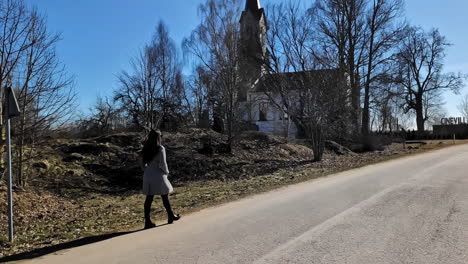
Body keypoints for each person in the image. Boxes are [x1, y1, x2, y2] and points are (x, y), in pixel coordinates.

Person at [141, 129, 180, 229]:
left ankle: (147, 221)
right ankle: (170, 216)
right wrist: (166, 172)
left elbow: (142, 164)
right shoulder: (160, 148)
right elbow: (163, 164)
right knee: (164, 196)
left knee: (149, 199)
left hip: (147, 175)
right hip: (158, 175)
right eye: (160, 136)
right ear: (158, 138)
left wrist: (147, 170)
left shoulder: (145, 148)